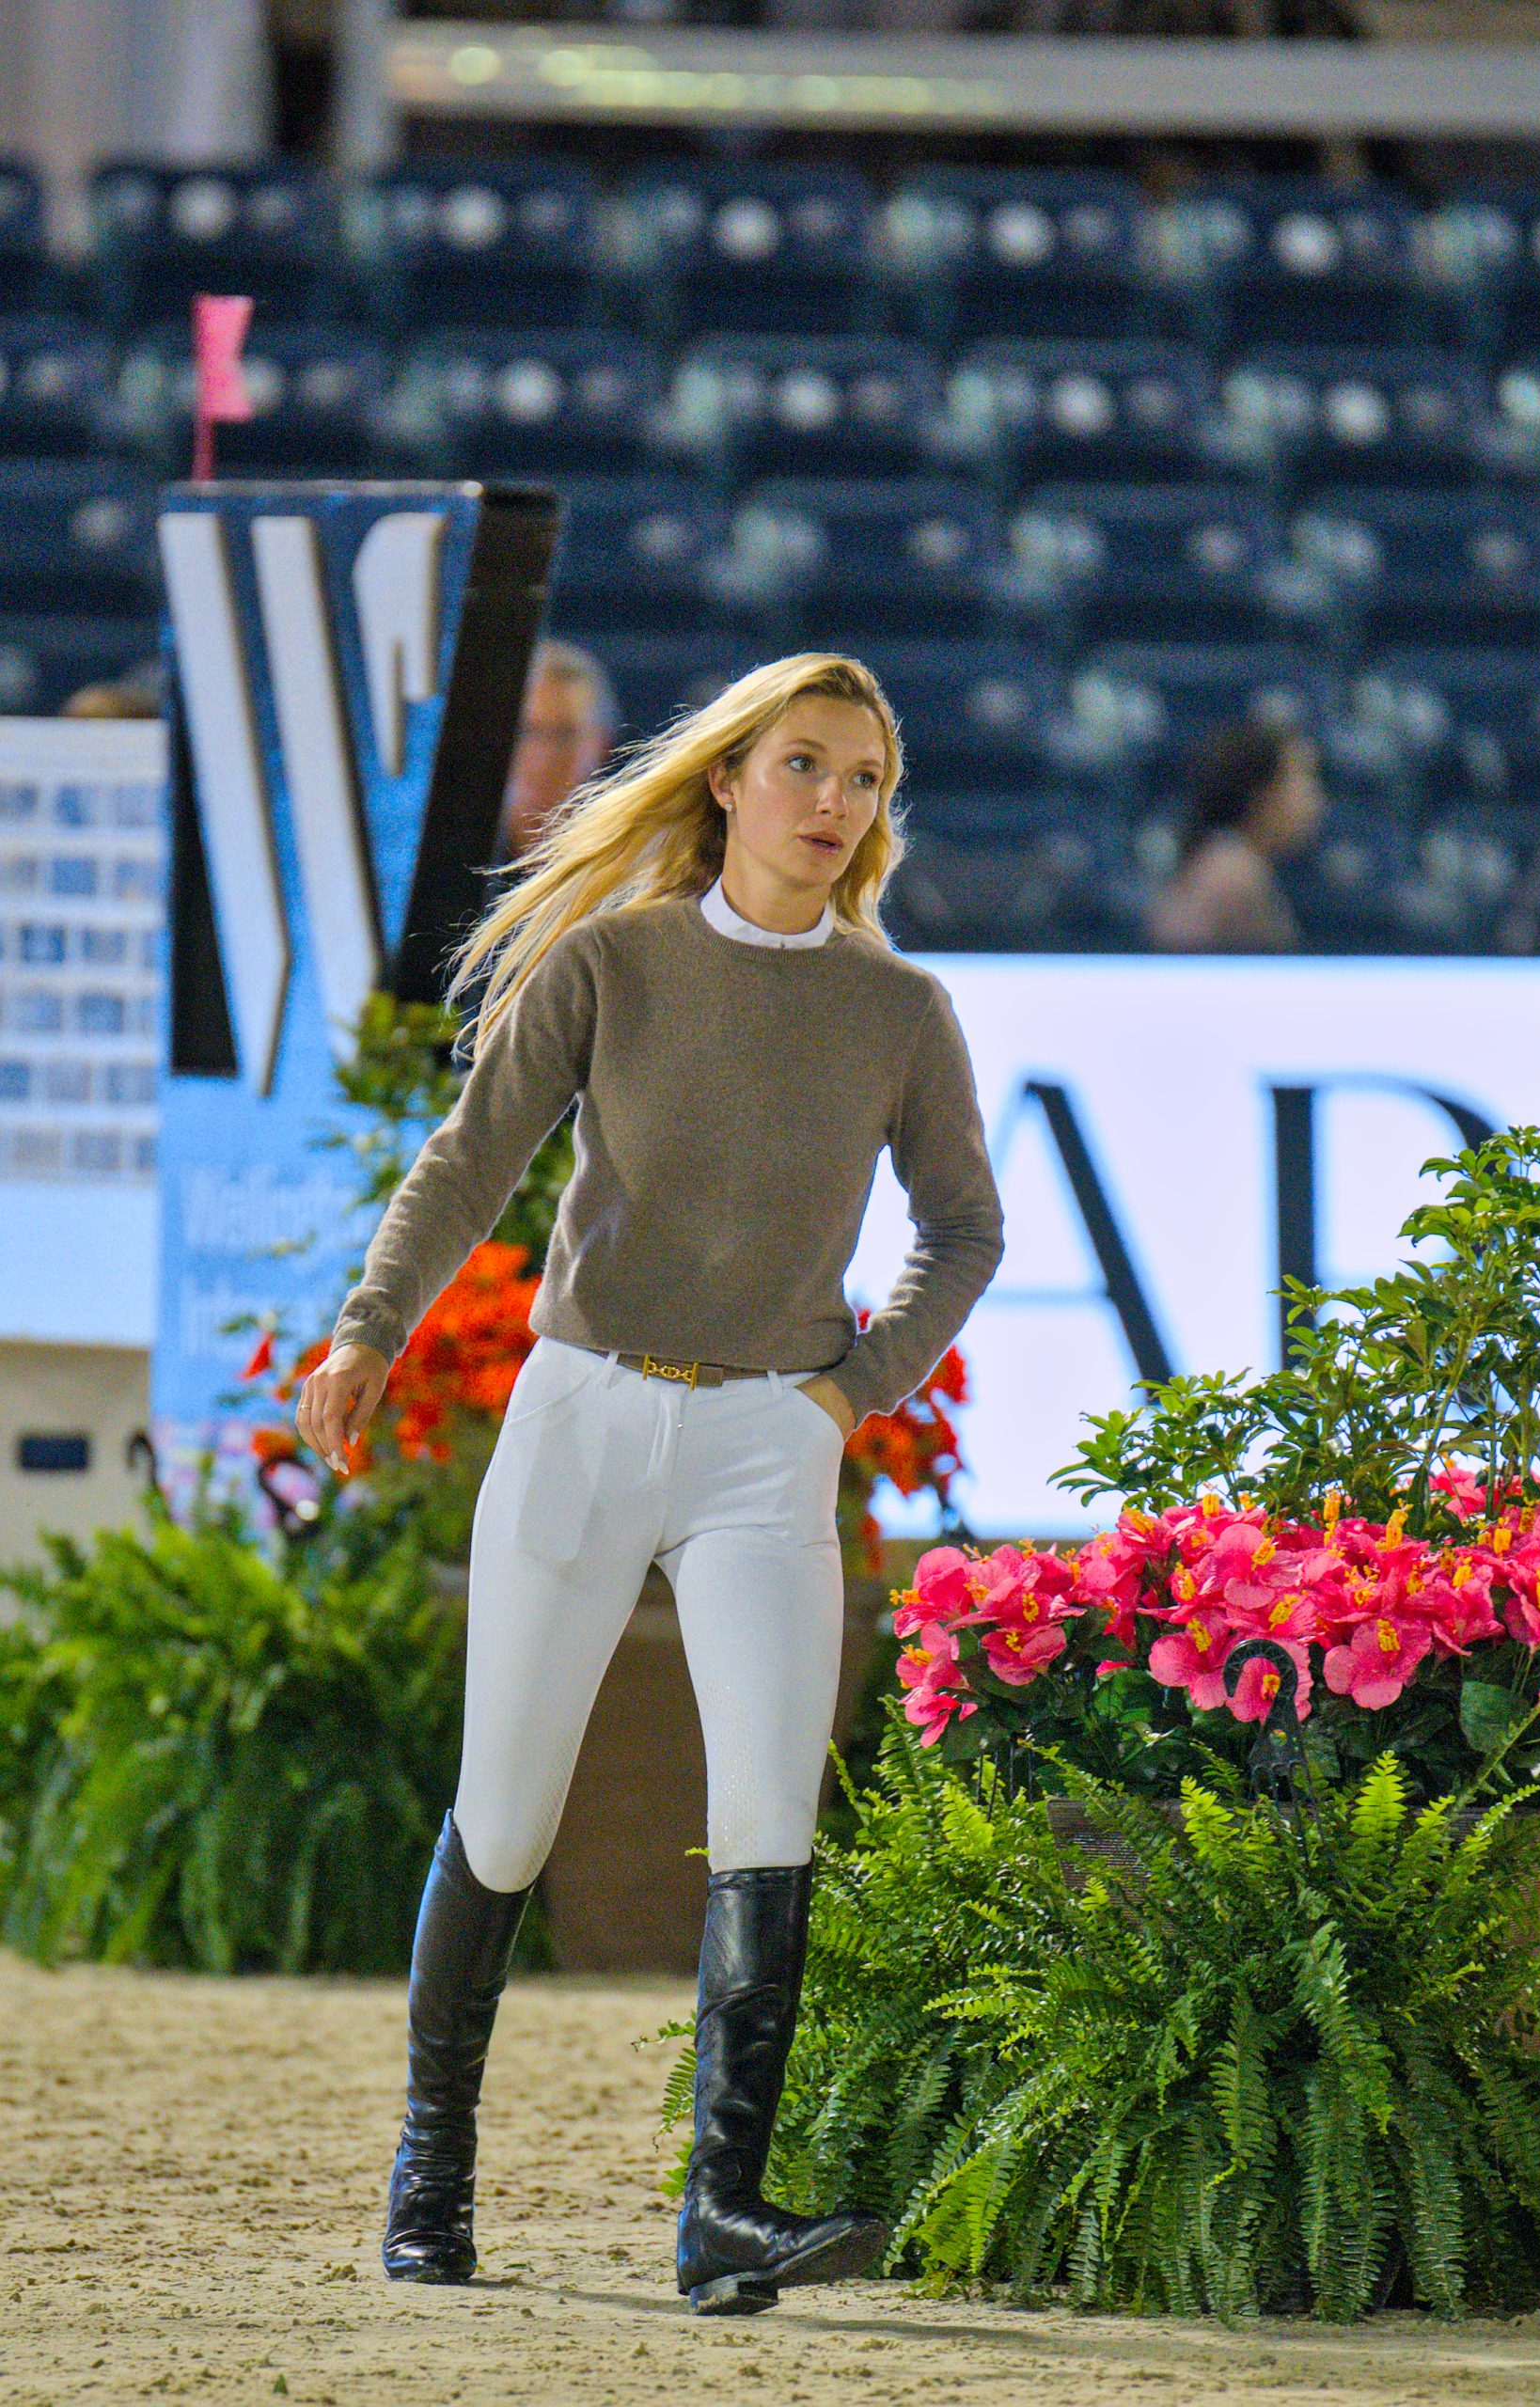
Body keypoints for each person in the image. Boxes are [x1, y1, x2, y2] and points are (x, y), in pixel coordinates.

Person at [293, 653, 1004, 2316]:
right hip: (586, 1414)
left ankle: (726, 2215)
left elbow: (963, 1233)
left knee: (769, 1817)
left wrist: (850, 1395)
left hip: (771, 1439)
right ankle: (432, 2174)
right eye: (807, 767)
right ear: (728, 783)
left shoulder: (901, 1012)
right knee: (512, 1811)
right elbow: (469, 1157)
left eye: (867, 782)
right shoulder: (611, 962)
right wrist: (366, 1333)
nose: (837, 804)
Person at [1144, 721, 1325, 953]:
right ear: (1262, 795)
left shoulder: (1233, 860)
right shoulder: (1232, 871)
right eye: (1304, 779)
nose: (1317, 799)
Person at [496, 640, 619, 861]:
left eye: (565, 735)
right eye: (528, 733)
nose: (544, 759)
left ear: (602, 746)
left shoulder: (629, 862)